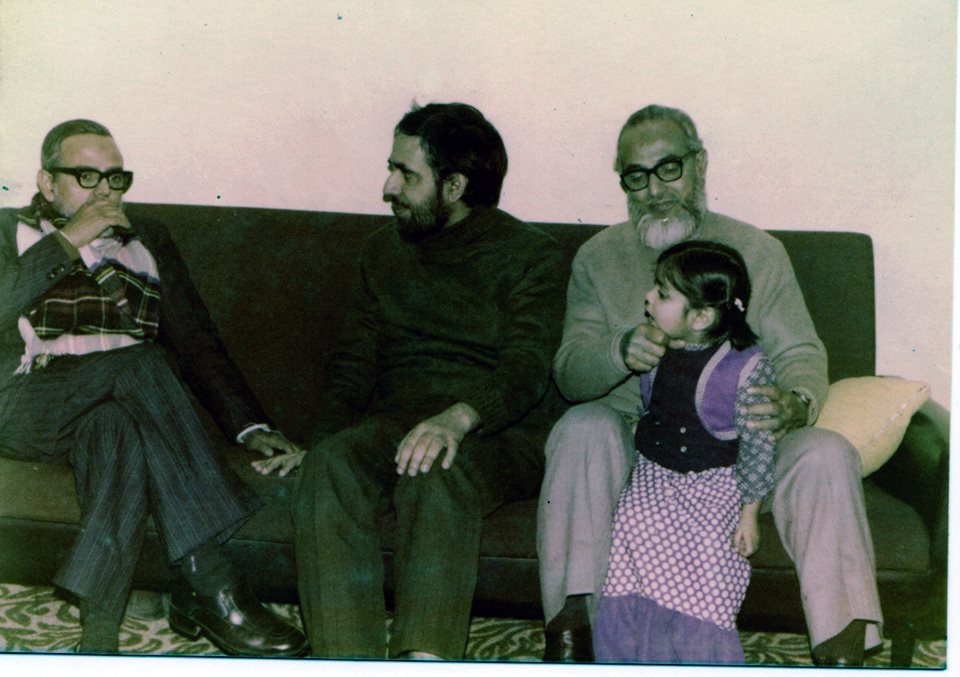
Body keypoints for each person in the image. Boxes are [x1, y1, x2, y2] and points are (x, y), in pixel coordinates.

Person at [537, 104, 882, 666]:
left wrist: (793, 403)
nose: (654, 189)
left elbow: (800, 352)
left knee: (825, 451)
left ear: (700, 164)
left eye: (668, 168)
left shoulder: (758, 251)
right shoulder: (597, 259)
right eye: (636, 176)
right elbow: (570, 370)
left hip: (740, 450)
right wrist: (617, 351)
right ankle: (574, 630)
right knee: (581, 426)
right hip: (638, 448)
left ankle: (843, 649)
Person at [254, 102, 564, 659]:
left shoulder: (530, 255)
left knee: (435, 468)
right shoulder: (382, 252)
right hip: (399, 424)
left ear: (455, 185)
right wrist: (319, 443)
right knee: (329, 465)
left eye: (406, 174)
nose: (387, 187)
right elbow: (354, 362)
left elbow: (528, 369)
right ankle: (346, 660)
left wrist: (457, 419)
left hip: (499, 433)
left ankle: (425, 658)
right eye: (391, 168)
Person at [0, 119, 307, 656]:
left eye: (116, 179)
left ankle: (98, 638)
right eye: (86, 176)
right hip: (27, 399)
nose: (105, 192)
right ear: (48, 183)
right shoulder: (7, 231)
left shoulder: (148, 238)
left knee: (114, 428)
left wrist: (250, 425)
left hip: (116, 399)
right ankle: (212, 579)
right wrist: (70, 240)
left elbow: (194, 339)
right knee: (140, 362)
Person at [592, 240, 775, 663]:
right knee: (633, 525)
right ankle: (631, 656)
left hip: (716, 479)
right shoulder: (658, 344)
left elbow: (758, 444)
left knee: (711, 551)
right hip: (655, 471)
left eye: (662, 293)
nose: (648, 297)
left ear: (701, 317)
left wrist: (749, 512)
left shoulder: (744, 367)